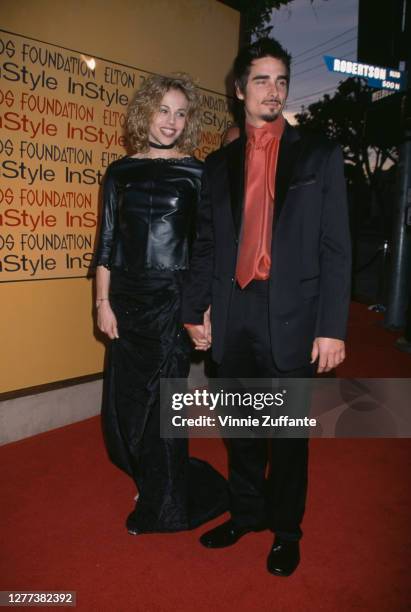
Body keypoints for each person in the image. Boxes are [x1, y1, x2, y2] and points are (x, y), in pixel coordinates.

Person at [182, 38, 351, 576]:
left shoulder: (318, 156)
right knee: (240, 427)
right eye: (262, 80)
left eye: (281, 80)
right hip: (234, 313)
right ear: (239, 89)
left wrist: (331, 328)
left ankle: (286, 530)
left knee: (288, 437)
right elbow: (206, 243)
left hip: (294, 317)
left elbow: (335, 247)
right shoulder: (218, 163)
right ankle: (247, 513)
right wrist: (196, 308)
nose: (273, 90)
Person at [93, 73, 227, 535]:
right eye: (163, 110)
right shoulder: (120, 172)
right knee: (127, 407)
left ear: (188, 122)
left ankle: (163, 503)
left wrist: (201, 310)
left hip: (172, 300)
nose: (171, 121)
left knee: (163, 405)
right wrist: (102, 302)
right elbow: (107, 244)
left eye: (180, 112)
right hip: (126, 303)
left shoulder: (198, 172)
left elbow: (206, 247)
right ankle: (150, 477)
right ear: (145, 112)